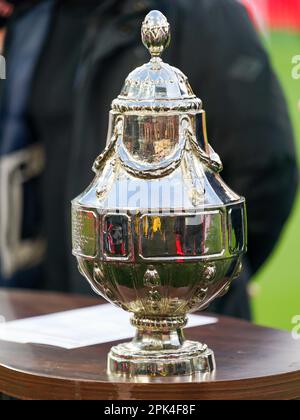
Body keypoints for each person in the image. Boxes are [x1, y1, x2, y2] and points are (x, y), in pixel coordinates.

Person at [0, 0, 298, 320]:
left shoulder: (205, 13)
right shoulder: (34, 16)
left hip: (188, 318)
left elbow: (265, 169)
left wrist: (191, 279)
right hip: (52, 314)